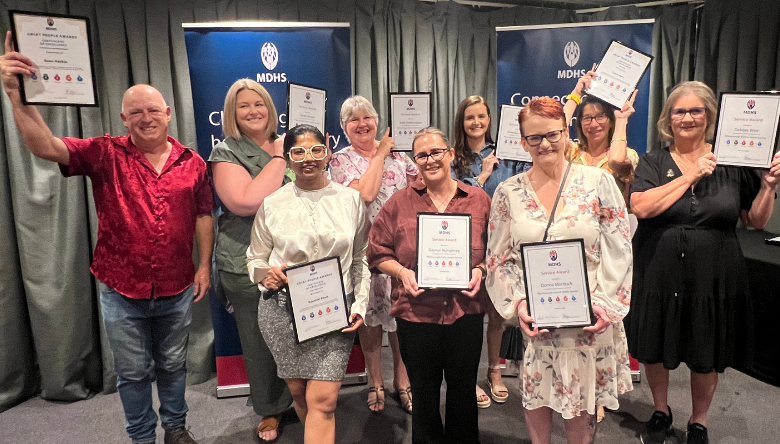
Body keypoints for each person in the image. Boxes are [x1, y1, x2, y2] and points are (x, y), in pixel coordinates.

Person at [0, 32, 213, 444]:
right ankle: (141, 437)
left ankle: (176, 428)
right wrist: (16, 95)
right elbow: (45, 147)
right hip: (121, 287)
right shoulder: (103, 152)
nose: (145, 117)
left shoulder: (194, 162)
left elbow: (204, 214)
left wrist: (203, 265)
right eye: (136, 112)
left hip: (177, 284)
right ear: (123, 118)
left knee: (173, 364)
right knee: (133, 372)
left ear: (168, 113)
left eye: (153, 109)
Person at [625, 81, 780, 444]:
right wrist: (691, 174)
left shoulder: (733, 162)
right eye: (680, 111)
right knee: (656, 345)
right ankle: (661, 409)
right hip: (658, 271)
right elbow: (642, 206)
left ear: (709, 117)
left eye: (697, 111)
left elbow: (754, 220)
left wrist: (769, 185)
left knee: (705, 348)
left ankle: (699, 421)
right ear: (668, 118)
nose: (688, 118)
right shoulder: (653, 161)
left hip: (713, 273)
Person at [486, 97, 633, 444]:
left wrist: (606, 305)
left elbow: (619, 248)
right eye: (534, 138)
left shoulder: (598, 182)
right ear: (522, 142)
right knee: (538, 400)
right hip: (540, 324)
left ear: (567, 133)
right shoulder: (508, 192)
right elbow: (498, 260)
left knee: (582, 420)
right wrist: (519, 303)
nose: (545, 144)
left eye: (552, 134)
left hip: (590, 322)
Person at [246, 124, 369, 444]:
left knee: (323, 401)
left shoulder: (352, 200)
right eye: (298, 152)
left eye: (316, 149)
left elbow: (361, 260)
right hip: (281, 311)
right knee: (300, 393)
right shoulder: (272, 203)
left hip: (332, 310)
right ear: (287, 159)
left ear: (327, 151)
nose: (308, 158)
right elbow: (254, 259)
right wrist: (265, 275)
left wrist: (360, 304)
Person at [368, 127, 491, 444]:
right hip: (415, 314)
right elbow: (377, 252)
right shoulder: (399, 203)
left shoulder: (478, 200)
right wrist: (402, 273)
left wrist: (480, 268)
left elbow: (497, 251)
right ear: (415, 162)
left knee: (463, 390)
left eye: (437, 152)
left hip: (466, 311)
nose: (430, 159)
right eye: (422, 155)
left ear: (450, 154)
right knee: (423, 394)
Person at [208, 79, 294, 443]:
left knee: (300, 334)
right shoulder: (225, 152)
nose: (253, 111)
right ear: (232, 113)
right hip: (247, 261)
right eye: (244, 105)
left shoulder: (292, 143)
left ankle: (302, 398)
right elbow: (244, 201)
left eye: (259, 103)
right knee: (259, 341)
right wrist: (278, 156)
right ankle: (270, 408)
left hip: (294, 259)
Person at [329, 95, 417, 415]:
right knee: (369, 319)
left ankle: (402, 381)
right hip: (363, 253)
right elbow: (363, 195)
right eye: (354, 119)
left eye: (368, 117)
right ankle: (375, 382)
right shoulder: (338, 161)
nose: (363, 123)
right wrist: (379, 153)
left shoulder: (401, 156)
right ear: (344, 127)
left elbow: (420, 190)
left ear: (377, 120)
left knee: (401, 317)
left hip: (401, 253)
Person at [564, 70, 640, 423]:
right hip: (573, 246)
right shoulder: (571, 153)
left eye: (600, 117)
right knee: (575, 322)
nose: (592, 123)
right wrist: (577, 93)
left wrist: (622, 121)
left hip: (608, 249)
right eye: (587, 118)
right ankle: (574, 386)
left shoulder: (627, 153)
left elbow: (619, 163)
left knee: (601, 321)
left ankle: (598, 392)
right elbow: (554, 128)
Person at [450, 95, 530, 408]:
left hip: (501, 244)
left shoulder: (506, 151)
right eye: (470, 117)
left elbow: (524, 185)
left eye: (482, 116)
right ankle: (467, 376)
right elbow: (453, 200)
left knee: (497, 313)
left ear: (489, 119)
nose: (476, 123)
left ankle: (494, 371)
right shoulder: (453, 157)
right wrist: (480, 177)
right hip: (466, 246)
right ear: (462, 121)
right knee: (468, 317)